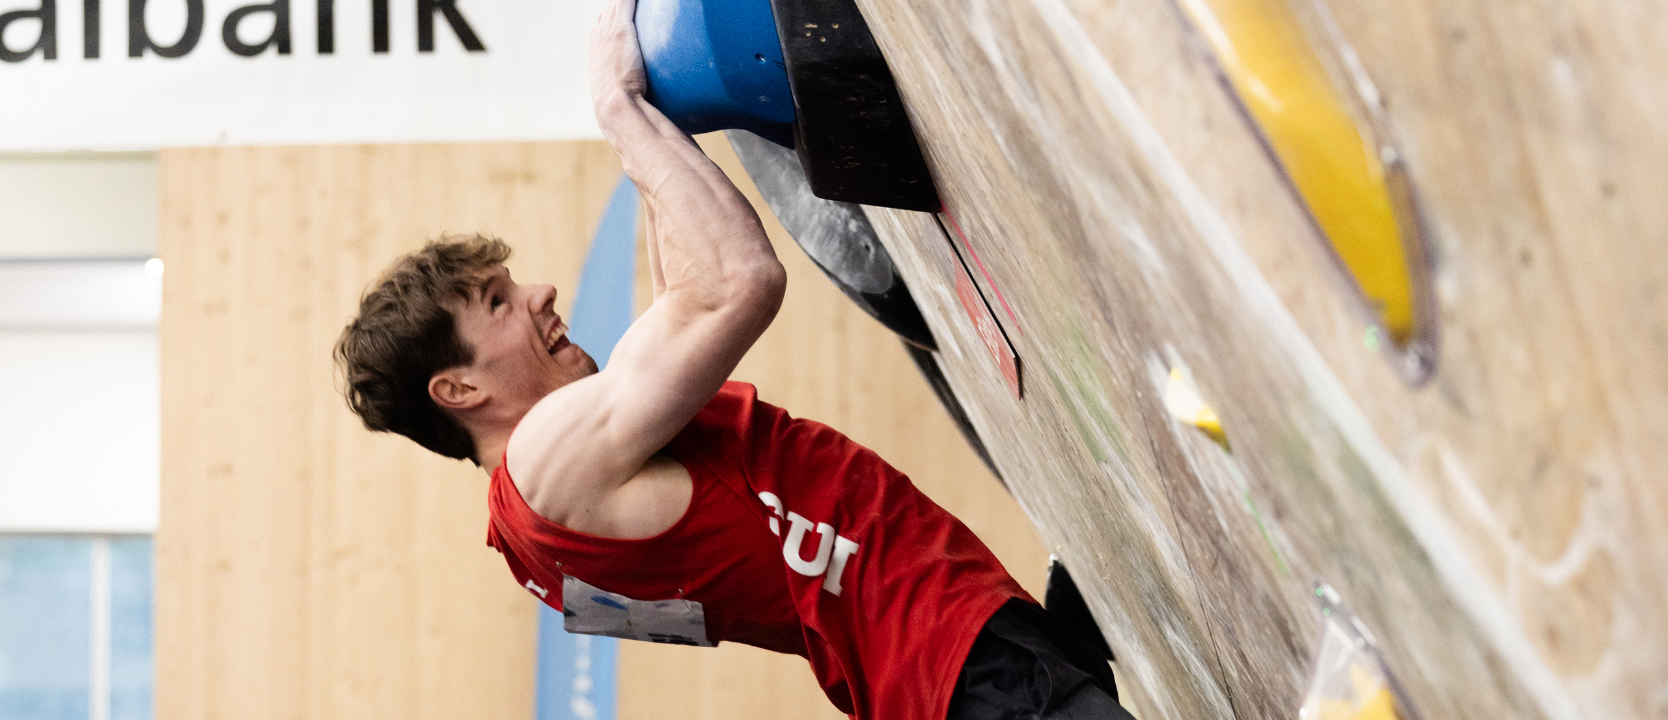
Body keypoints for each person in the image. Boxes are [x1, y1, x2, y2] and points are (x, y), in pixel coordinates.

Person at [332, 0, 1135, 717]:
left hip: (950, 672)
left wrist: (652, 137)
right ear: (459, 387)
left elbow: (676, 305)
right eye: (501, 303)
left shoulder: (538, 551)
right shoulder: (544, 463)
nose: (542, 292)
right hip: (968, 677)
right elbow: (733, 284)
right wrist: (619, 110)